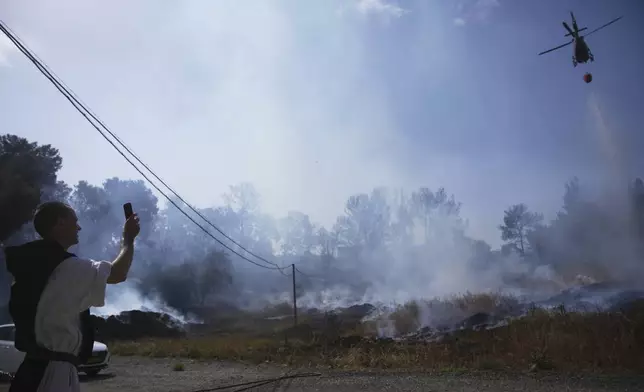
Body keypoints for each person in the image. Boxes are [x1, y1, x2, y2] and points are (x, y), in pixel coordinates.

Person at [3, 201, 140, 391]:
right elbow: (118, 273)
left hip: (34, 370)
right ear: (60, 223)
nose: (79, 227)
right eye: (74, 221)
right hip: (52, 374)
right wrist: (128, 238)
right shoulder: (65, 267)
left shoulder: (32, 264)